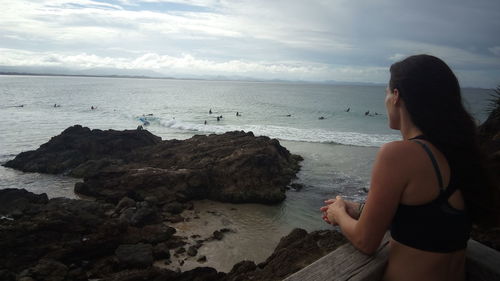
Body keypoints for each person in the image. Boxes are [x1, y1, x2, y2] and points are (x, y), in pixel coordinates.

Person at [320, 55, 488, 281]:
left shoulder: (398, 155)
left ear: (397, 96)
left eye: (386, 92)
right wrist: (360, 209)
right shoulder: (457, 153)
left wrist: (338, 214)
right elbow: (427, 220)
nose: (386, 99)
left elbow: (365, 241)